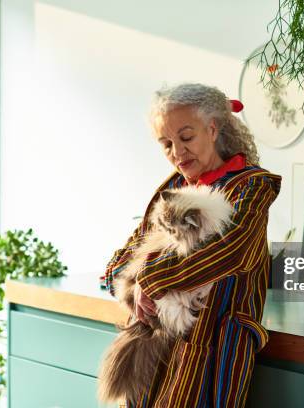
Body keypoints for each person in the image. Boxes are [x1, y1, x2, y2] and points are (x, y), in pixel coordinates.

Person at [102, 83, 281, 407]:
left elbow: (230, 250)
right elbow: (131, 249)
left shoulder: (252, 186)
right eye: (166, 143)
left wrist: (151, 279)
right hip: (152, 348)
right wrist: (124, 282)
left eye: (186, 138)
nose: (177, 152)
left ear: (212, 129)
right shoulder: (172, 187)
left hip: (212, 345)